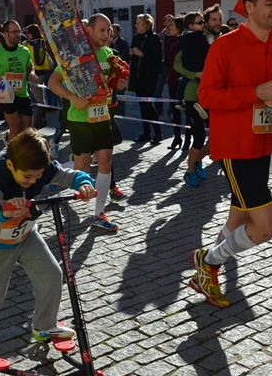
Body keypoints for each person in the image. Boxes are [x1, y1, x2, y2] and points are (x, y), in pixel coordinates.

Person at [191, 0, 272, 308]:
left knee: (239, 216)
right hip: (235, 146)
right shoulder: (225, 45)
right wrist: (255, 93)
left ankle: (205, 274)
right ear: (249, 7)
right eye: (269, 3)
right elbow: (206, 96)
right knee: (266, 226)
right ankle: (209, 261)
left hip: (265, 144)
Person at [0, 129, 95, 350]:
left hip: (26, 233)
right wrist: (6, 210)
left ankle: (44, 325)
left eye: (38, 176)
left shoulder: (40, 169)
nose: (33, 181)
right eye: (28, 177)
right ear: (11, 165)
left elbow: (67, 175)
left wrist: (83, 182)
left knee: (51, 274)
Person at [48, 13, 127, 232]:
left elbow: (112, 83)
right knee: (82, 166)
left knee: (105, 163)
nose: (106, 34)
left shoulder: (110, 54)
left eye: (109, 30)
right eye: (102, 30)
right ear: (89, 31)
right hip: (79, 119)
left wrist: (119, 83)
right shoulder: (74, 55)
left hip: (102, 117)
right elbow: (53, 82)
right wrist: (73, 97)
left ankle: (99, 214)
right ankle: (55, 172)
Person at [0, 20, 37, 140]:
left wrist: (31, 73)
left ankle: (21, 153)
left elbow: (30, 66)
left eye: (19, 31)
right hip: (6, 96)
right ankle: (12, 156)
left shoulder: (24, 51)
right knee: (16, 127)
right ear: (6, 34)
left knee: (28, 130)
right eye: (14, 32)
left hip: (22, 93)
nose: (18, 34)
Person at [173, 11, 210, 186]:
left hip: (211, 94)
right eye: (199, 22)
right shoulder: (185, 41)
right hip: (192, 95)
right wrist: (195, 74)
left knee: (216, 136)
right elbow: (176, 64)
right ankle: (189, 171)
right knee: (199, 136)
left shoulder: (209, 39)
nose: (203, 24)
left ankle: (197, 161)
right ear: (190, 25)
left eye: (204, 21)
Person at [129, 14, 164, 145]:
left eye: (138, 23)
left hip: (149, 77)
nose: (136, 25)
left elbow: (157, 59)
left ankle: (158, 132)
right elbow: (131, 57)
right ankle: (146, 132)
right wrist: (131, 53)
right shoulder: (136, 37)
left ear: (146, 25)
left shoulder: (154, 38)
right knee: (142, 106)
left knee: (148, 105)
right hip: (137, 77)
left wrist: (142, 54)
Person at [25, 24, 53, 130]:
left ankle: (39, 120)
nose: (27, 35)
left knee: (39, 98)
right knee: (41, 96)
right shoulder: (42, 43)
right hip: (42, 73)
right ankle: (43, 119)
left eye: (28, 33)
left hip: (33, 74)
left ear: (31, 33)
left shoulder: (28, 44)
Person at [164, 16, 186, 149]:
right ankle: (176, 136)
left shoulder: (182, 42)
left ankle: (188, 138)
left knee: (187, 109)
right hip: (172, 78)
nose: (170, 28)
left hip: (180, 78)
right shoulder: (170, 41)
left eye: (173, 25)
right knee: (174, 109)